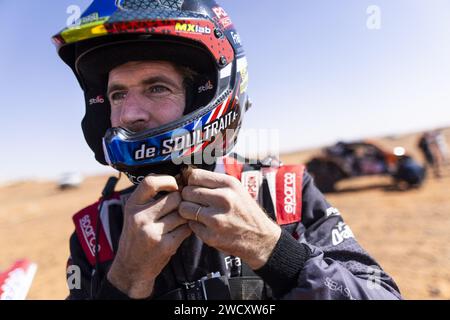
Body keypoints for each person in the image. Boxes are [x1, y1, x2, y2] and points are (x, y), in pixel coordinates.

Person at [53, 0, 402, 300]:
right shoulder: (96, 231)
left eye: (156, 88)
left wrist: (277, 252)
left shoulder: (285, 193)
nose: (130, 114)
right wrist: (124, 280)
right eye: (117, 94)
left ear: (206, 93)